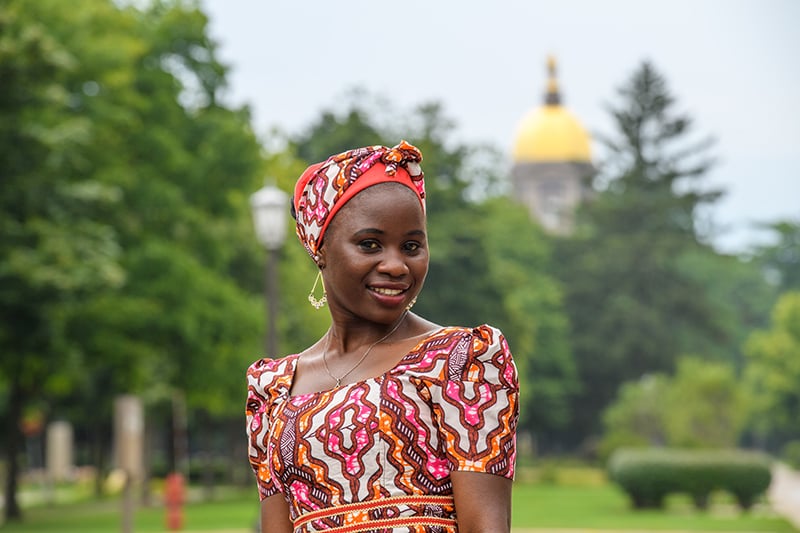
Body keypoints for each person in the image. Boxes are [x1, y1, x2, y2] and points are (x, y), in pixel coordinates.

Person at [246, 141, 519, 532]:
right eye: (369, 244)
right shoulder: (272, 389)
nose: (395, 265)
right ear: (319, 247)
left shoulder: (459, 362)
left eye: (411, 246)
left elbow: (485, 527)